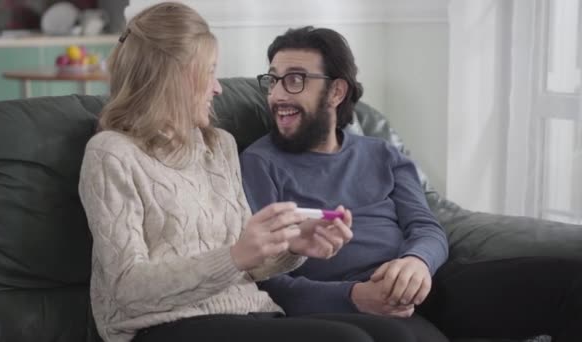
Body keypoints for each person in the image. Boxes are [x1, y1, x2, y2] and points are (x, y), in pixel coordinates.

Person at [78, 3, 424, 342]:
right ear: (172, 78)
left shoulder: (218, 146)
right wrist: (234, 256)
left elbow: (249, 263)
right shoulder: (111, 154)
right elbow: (126, 287)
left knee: (395, 334)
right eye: (209, 72)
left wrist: (292, 246)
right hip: (163, 325)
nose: (218, 88)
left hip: (248, 311)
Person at [240, 25, 582, 342]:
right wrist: (353, 296)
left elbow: (426, 225)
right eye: (273, 81)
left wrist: (418, 261)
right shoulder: (259, 163)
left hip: (429, 283)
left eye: (295, 80)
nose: (278, 95)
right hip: (354, 304)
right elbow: (266, 278)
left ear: (336, 91)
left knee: (570, 281)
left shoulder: (382, 154)